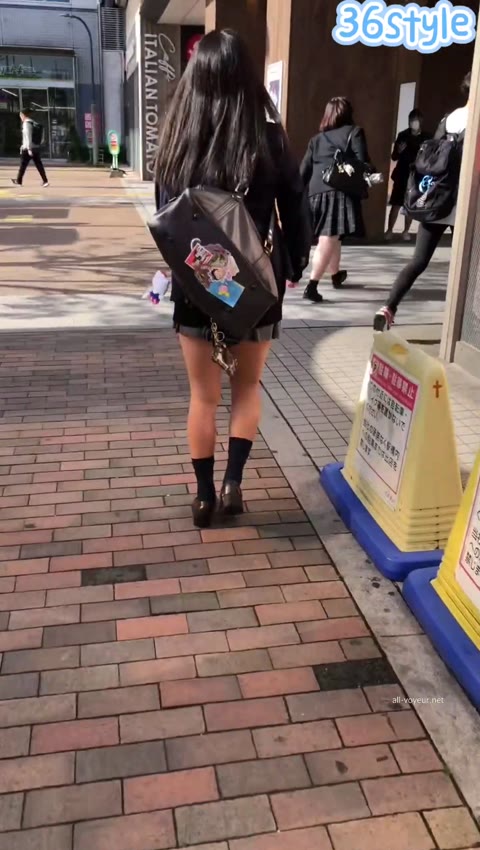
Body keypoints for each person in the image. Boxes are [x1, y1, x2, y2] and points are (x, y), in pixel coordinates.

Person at [154, 29, 311, 529]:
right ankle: (233, 484)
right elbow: (296, 207)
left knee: (203, 397)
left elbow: (166, 217)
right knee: (247, 388)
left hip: (197, 284)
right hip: (256, 287)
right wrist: (297, 264)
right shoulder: (269, 138)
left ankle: (203, 497)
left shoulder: (177, 140)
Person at [374, 72, 471, 332]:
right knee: (471, 266)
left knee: (418, 261)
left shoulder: (449, 118)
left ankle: (388, 307)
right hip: (464, 205)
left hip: (437, 201)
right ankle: (468, 320)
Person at [300, 97, 372, 302]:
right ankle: (312, 286)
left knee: (334, 236)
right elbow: (362, 161)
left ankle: (335, 274)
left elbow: (303, 171)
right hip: (338, 191)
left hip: (315, 192)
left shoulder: (316, 139)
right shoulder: (354, 132)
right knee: (328, 238)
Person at [385, 109, 430, 242]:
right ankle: (389, 230)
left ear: (421, 121)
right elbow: (394, 157)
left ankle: (406, 231)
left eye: (416, 120)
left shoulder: (426, 137)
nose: (414, 123)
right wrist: (399, 151)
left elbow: (429, 157)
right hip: (402, 174)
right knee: (396, 203)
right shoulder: (403, 135)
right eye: (412, 120)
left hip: (416, 175)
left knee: (410, 204)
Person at [11, 109, 49, 188]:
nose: (20, 117)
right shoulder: (33, 122)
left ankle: (19, 181)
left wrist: (28, 148)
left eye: (21, 115)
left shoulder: (26, 124)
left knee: (23, 165)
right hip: (35, 147)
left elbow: (28, 137)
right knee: (39, 165)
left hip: (28, 148)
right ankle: (45, 181)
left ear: (23, 115)